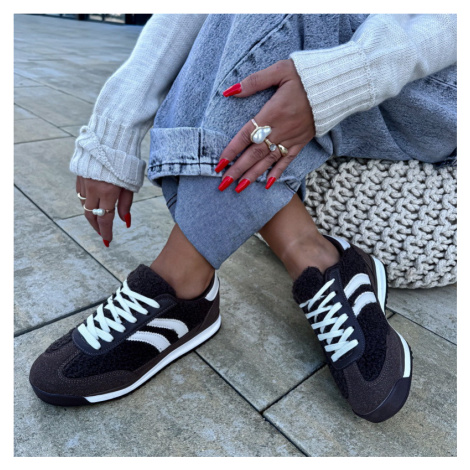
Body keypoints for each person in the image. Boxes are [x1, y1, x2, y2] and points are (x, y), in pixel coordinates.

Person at [29, 14, 456, 423]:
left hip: (426, 84)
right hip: (304, 59)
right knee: (229, 31)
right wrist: (112, 129)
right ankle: (314, 255)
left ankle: (182, 281)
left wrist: (340, 78)